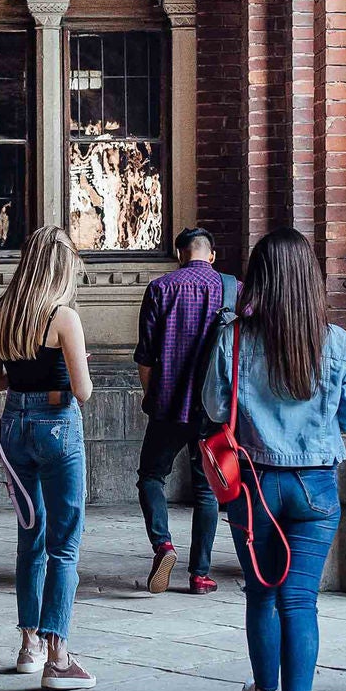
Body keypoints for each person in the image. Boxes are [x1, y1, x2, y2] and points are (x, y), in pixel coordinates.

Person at [200, 228, 346, 691]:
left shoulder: (233, 338)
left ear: (258, 280)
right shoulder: (336, 342)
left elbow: (212, 406)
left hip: (252, 485)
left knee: (261, 593)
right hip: (314, 487)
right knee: (300, 599)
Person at [0, 226, 97, 689]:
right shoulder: (63, 317)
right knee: (64, 544)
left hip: (14, 426)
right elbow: (84, 392)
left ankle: (27, 645)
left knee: (30, 536)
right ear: (62, 267)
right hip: (58, 423)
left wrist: (25, 377)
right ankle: (59, 657)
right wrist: (74, 364)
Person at [134, 227, 238, 595]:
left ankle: (163, 545)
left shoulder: (161, 288)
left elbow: (145, 355)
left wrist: (151, 397)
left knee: (151, 476)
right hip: (214, 408)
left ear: (180, 254)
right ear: (211, 255)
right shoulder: (232, 289)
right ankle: (200, 575)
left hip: (169, 404)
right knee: (208, 490)